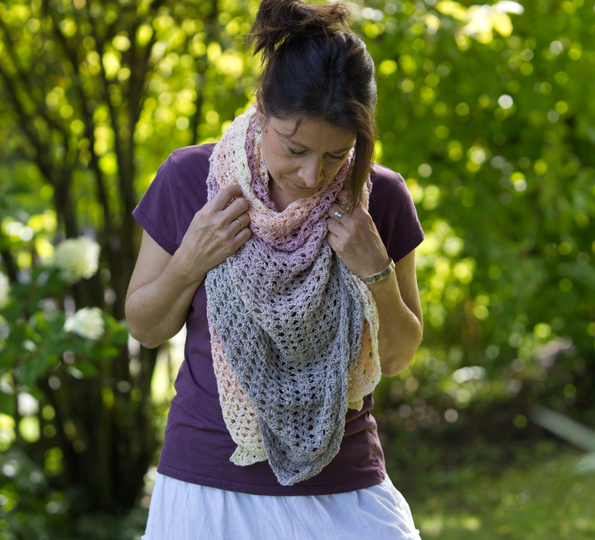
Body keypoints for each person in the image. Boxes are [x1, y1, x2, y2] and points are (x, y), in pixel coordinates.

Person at [125, 0, 424, 538]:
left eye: (338, 155)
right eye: (295, 148)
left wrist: (376, 270)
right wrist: (191, 259)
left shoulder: (381, 198)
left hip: (345, 483)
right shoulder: (191, 178)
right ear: (262, 109)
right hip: (208, 482)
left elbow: (399, 357)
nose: (313, 174)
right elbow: (145, 328)